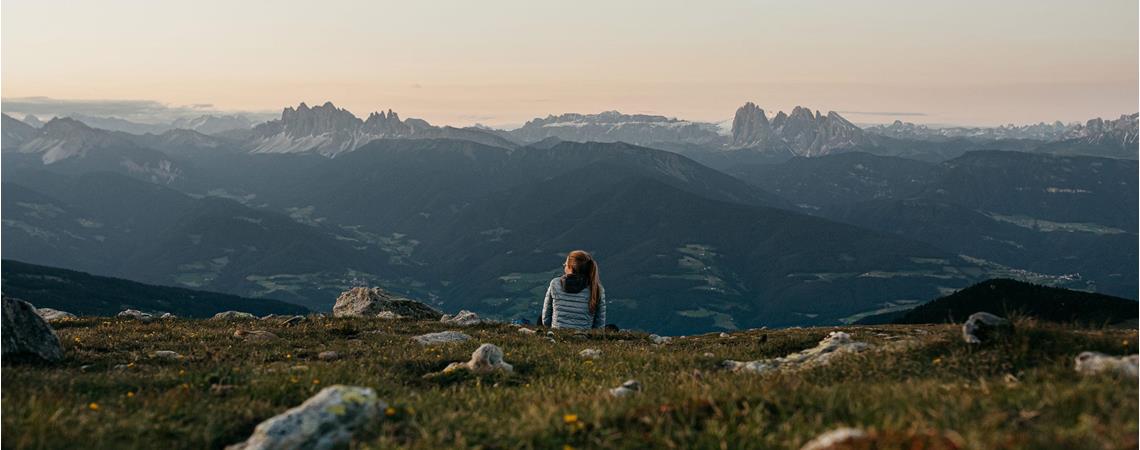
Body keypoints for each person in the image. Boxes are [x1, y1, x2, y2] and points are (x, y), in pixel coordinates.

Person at [541, 250, 606, 329]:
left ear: (570, 267)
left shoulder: (555, 284)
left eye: (565, 264)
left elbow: (546, 320)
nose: (564, 266)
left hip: (557, 335)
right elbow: (599, 324)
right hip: (584, 338)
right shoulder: (596, 288)